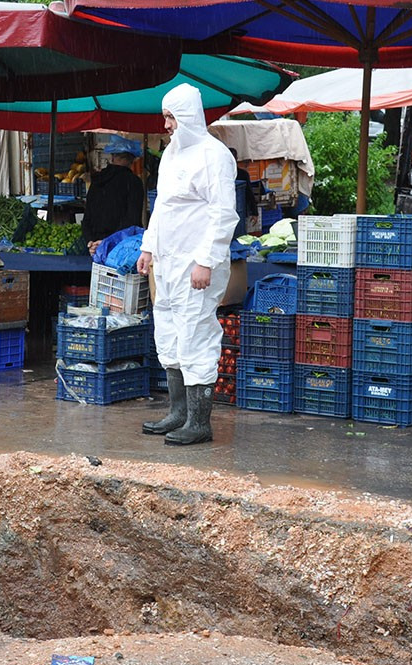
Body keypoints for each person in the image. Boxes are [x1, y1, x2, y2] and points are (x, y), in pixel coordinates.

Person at [136, 84, 239, 446]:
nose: (166, 125)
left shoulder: (215, 156)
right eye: (165, 116)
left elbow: (224, 213)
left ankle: (199, 421)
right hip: (167, 263)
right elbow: (162, 205)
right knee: (168, 332)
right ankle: (178, 412)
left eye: (171, 117)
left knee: (195, 333)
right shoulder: (172, 156)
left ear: (189, 116)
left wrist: (206, 261)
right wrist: (149, 248)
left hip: (196, 265)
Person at [82, 136, 145, 256]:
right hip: (120, 248)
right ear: (131, 160)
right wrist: (109, 242)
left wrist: (91, 241)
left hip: (94, 246)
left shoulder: (97, 180)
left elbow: (87, 216)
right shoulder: (133, 182)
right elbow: (132, 219)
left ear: (112, 157)